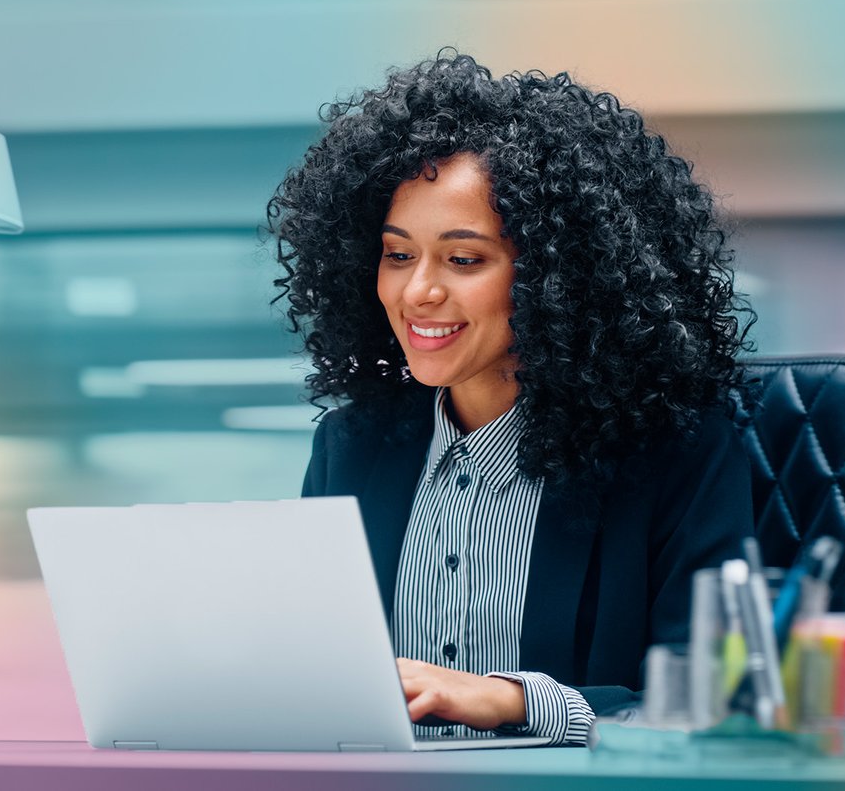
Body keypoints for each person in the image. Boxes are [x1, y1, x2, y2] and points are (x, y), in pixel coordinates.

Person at [266, 51, 757, 746]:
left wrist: (514, 700)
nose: (418, 291)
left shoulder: (675, 453)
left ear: (560, 275)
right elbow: (312, 677)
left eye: (463, 259)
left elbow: (720, 705)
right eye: (398, 255)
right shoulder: (351, 449)